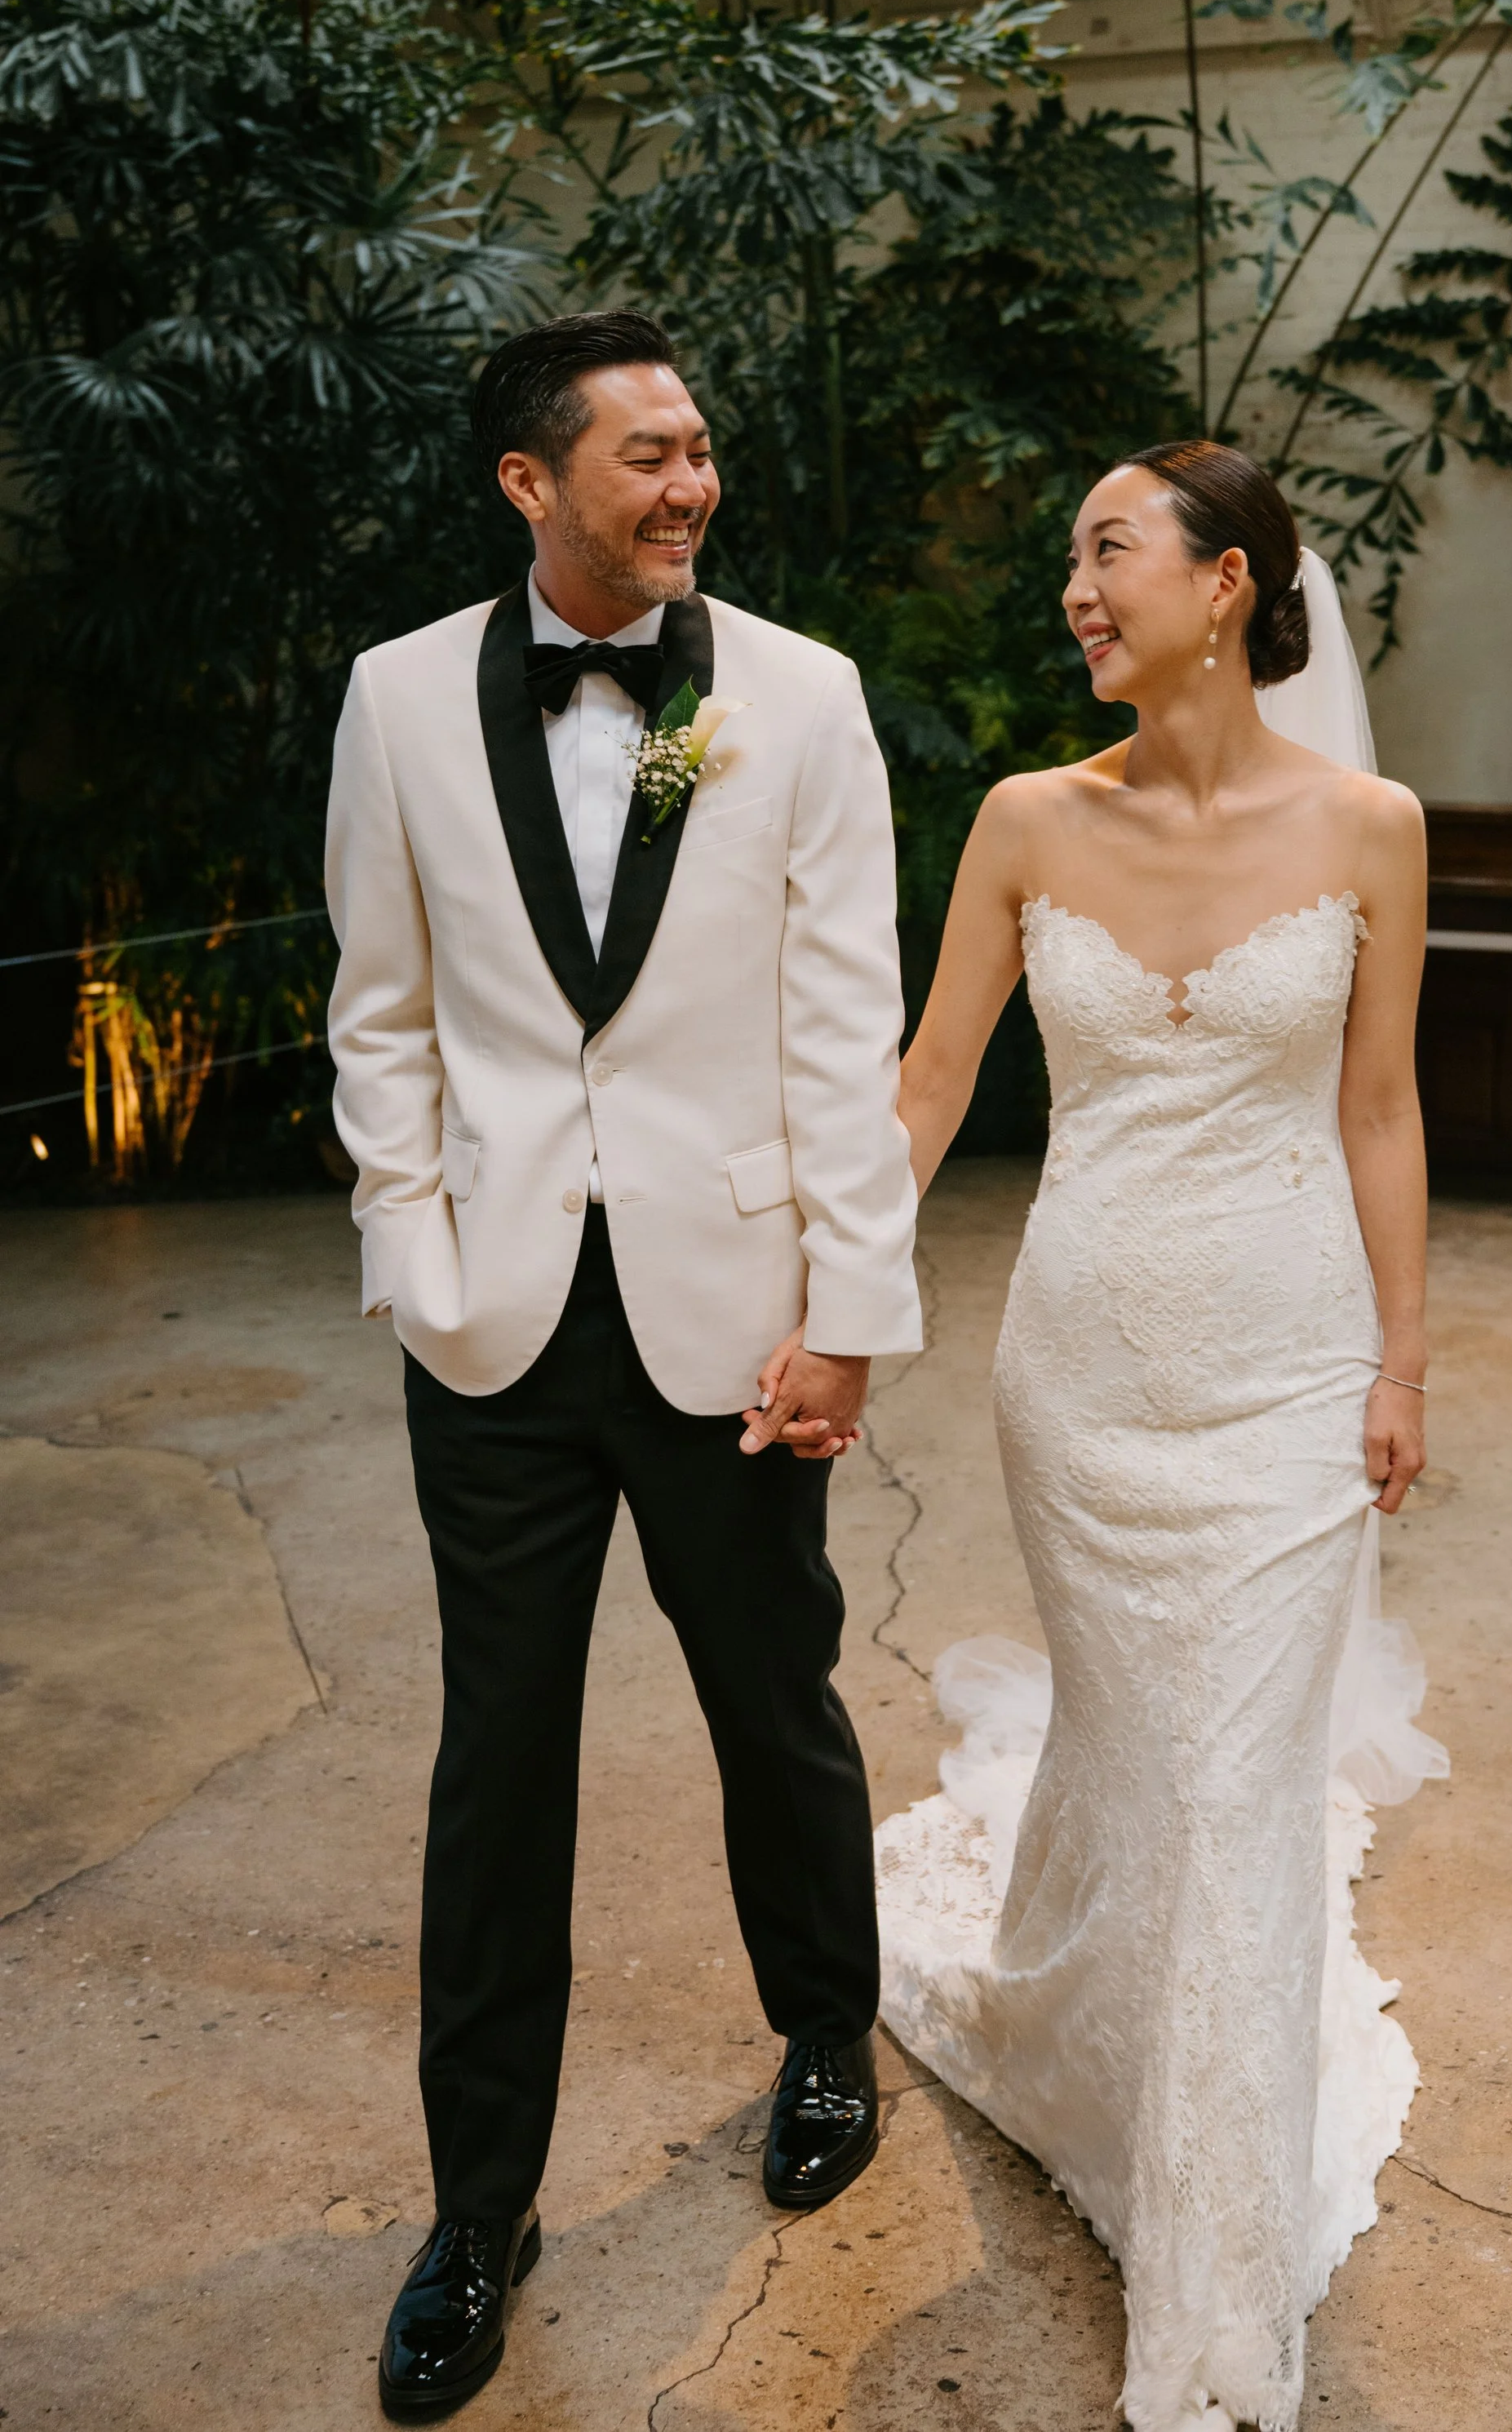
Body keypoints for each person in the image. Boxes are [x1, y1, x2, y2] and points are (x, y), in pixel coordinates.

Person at [324, 310, 921, 2420]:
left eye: (701, 447)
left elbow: (847, 1022)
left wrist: (848, 1308)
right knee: (498, 1764)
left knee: (773, 1691)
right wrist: (415, 1252)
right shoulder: (396, 697)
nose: (693, 483)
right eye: (649, 454)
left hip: (731, 1312)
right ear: (530, 480)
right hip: (493, 1327)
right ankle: (478, 2206)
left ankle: (827, 2028)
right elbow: (379, 1007)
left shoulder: (802, 698)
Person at [876, 440, 1447, 2432]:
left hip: (1290, 1375)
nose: (1072, 590)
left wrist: (1400, 1363)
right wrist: (829, 1307)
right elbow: (932, 1078)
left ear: (1229, 586)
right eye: (1067, 561)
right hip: (1083, 1372)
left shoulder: (1373, 827)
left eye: (1106, 551)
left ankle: (1208, 2327)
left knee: (1234, 1795)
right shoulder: (1027, 819)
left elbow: (1376, 1108)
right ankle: (1064, 2010)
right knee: (1145, 1755)